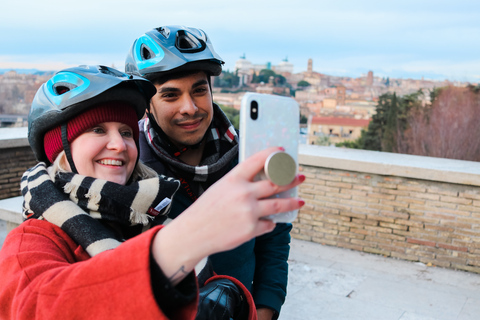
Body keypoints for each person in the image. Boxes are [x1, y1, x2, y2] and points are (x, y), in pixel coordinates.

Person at [0, 65, 305, 320]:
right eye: (97, 130)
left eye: (126, 132)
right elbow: (36, 307)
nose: (119, 144)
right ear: (62, 154)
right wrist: (190, 234)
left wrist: (233, 298)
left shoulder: (151, 212)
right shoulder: (32, 240)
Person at [125, 25, 300, 320]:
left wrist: (266, 310)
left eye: (199, 90)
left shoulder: (247, 155)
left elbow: (274, 237)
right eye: (170, 95)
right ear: (147, 106)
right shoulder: (130, 166)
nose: (190, 108)